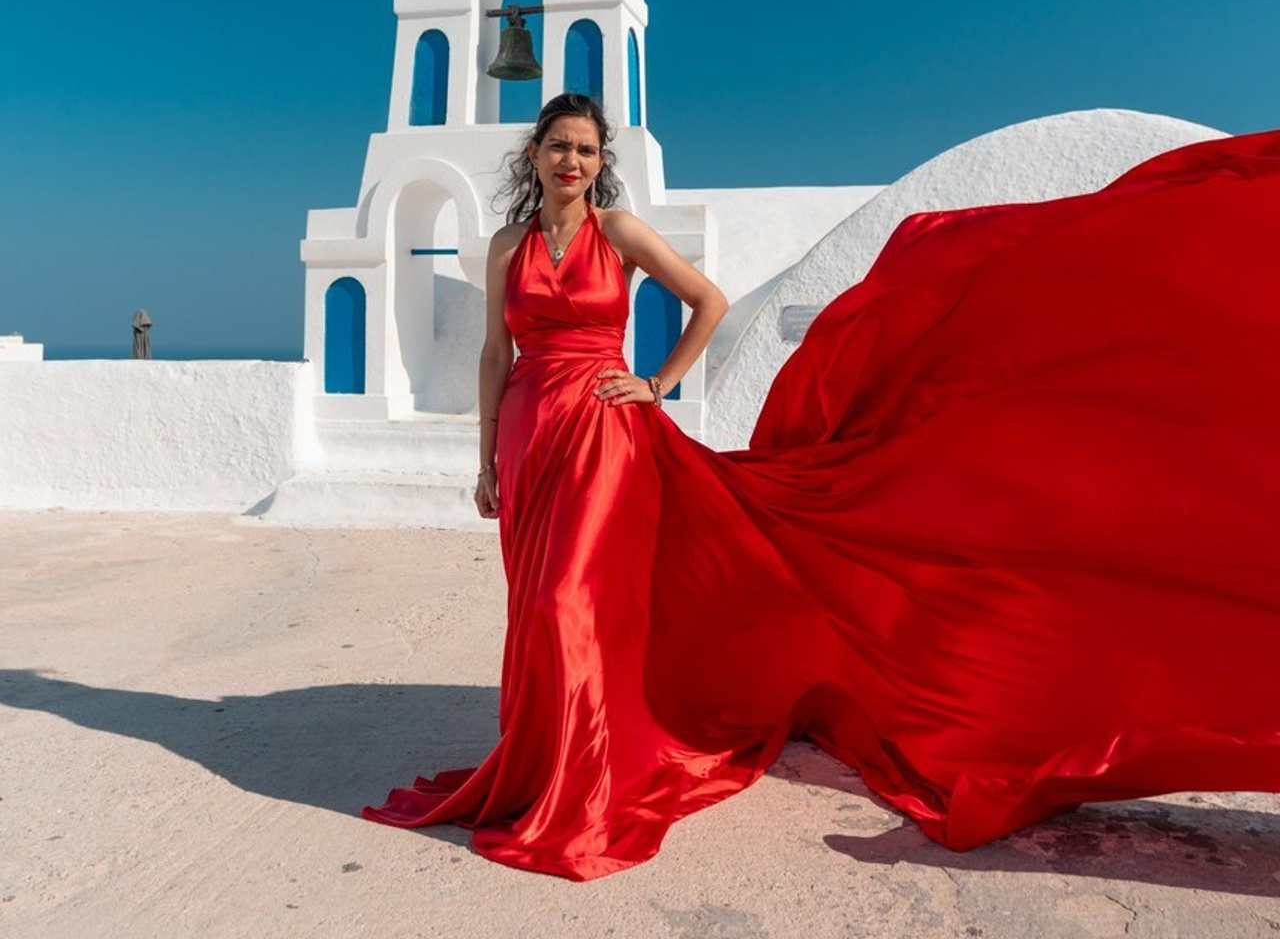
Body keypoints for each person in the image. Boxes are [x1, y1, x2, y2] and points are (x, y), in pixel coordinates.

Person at [364, 93, 1280, 881]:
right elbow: (494, 351)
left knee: (575, 601)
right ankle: (534, 766)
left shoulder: (620, 232)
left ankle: (580, 781)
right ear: (534, 155)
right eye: (560, 145)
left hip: (604, 431)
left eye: (589, 149)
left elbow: (711, 303)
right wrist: (484, 456)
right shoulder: (504, 245)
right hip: (529, 432)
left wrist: (654, 381)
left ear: (603, 164)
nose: (573, 160)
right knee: (535, 605)